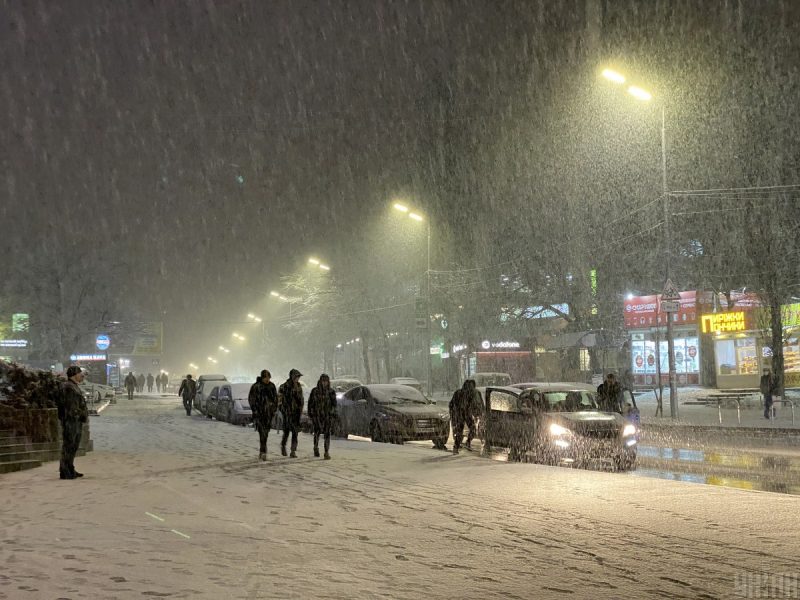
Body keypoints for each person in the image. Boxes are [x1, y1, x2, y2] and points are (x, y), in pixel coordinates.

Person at [59, 366, 89, 479]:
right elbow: (71, 407)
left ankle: (70, 468)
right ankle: (65, 471)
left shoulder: (73, 386)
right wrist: (79, 414)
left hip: (75, 421)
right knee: (69, 446)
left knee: (73, 446)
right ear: (74, 374)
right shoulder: (68, 387)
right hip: (71, 421)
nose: (82, 375)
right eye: (79, 373)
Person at [249, 369, 279, 461]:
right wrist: (255, 410)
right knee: (262, 432)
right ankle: (263, 451)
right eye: (265, 378)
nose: (267, 380)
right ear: (262, 378)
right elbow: (252, 399)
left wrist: (273, 408)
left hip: (268, 414)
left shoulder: (272, 386)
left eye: (268, 378)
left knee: (266, 432)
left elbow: (275, 399)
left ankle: (263, 450)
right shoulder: (256, 387)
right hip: (259, 414)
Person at [308, 373, 337, 459]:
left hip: (327, 415)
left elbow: (334, 404)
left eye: (326, 381)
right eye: (323, 381)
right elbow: (310, 403)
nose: (324, 383)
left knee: (327, 433)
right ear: (320, 381)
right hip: (317, 415)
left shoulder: (331, 392)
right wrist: (311, 414)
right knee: (317, 432)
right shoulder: (315, 391)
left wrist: (332, 413)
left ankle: (326, 451)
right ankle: (316, 447)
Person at [278, 369, 304, 458]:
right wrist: (284, 410)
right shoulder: (284, 386)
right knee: (286, 432)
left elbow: (301, 399)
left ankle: (293, 450)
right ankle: (283, 446)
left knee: (295, 432)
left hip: (296, 413)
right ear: (292, 377)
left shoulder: (299, 386)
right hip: (287, 413)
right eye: (296, 377)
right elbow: (279, 401)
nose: (298, 379)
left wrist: (300, 409)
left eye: (298, 377)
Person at [449, 380, 472, 454]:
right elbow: (452, 404)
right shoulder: (459, 393)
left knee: (470, 428)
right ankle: (457, 447)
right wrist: (454, 413)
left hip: (464, 414)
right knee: (460, 431)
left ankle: (464, 443)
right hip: (460, 414)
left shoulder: (468, 394)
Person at [465, 380, 483, 451]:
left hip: (477, 413)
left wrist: (482, 411)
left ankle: (469, 442)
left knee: (478, 429)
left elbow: (481, 402)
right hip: (469, 414)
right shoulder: (467, 393)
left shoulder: (478, 392)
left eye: (473, 385)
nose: (472, 387)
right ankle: (468, 442)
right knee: (472, 429)